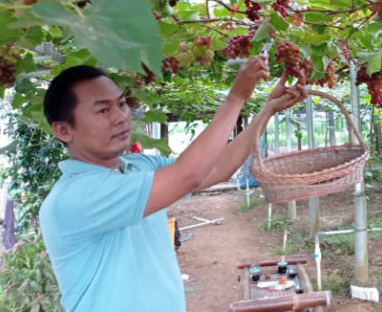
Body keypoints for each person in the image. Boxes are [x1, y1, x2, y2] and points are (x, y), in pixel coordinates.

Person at [39, 57, 306, 312]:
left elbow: (215, 169)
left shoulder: (138, 167)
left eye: (121, 104)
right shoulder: (75, 197)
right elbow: (187, 174)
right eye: (103, 110)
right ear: (64, 130)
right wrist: (235, 98)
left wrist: (267, 109)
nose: (121, 117)